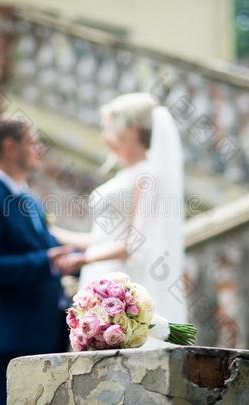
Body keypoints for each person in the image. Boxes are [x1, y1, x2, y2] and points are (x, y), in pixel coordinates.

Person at [0, 119, 80, 405]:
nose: (39, 149)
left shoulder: (29, 199)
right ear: (9, 146)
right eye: (32, 142)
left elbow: (49, 248)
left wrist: (74, 259)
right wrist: (44, 261)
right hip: (13, 334)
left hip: (48, 330)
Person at [51, 92, 188, 324]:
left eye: (110, 129)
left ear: (132, 131)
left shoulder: (147, 176)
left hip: (121, 283)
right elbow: (103, 237)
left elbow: (133, 244)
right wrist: (57, 234)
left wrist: (84, 260)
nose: (105, 138)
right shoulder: (128, 175)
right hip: (100, 274)